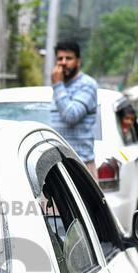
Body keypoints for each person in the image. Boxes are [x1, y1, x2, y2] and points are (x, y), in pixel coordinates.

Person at [50, 39, 99, 178]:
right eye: (60, 58)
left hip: (80, 166)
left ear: (78, 61)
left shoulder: (87, 85)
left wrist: (58, 85)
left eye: (68, 58)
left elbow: (71, 116)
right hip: (58, 166)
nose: (63, 62)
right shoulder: (59, 88)